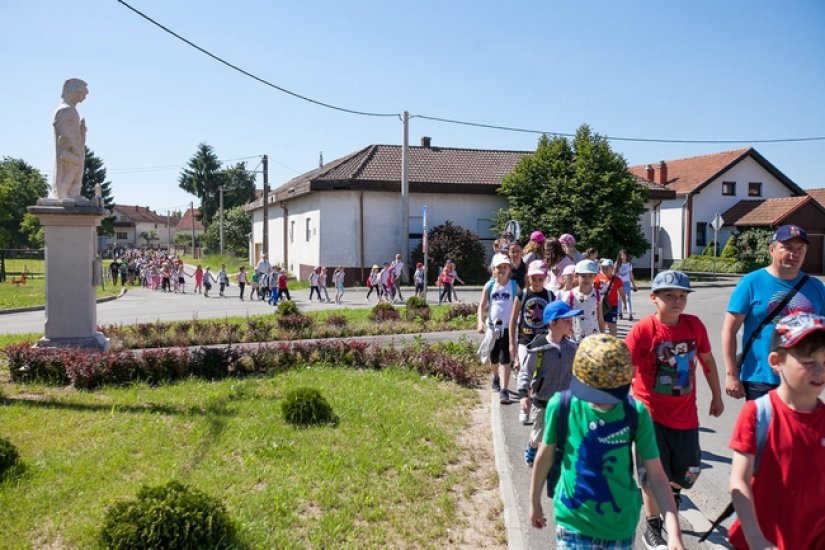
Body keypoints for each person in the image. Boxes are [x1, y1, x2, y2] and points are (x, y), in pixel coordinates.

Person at [529, 334, 684, 550]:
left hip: (621, 526)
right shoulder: (561, 406)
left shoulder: (636, 413)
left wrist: (674, 532)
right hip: (573, 520)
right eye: (594, 394)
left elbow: (657, 475)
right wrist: (534, 501)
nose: (603, 403)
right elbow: (545, 456)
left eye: (611, 395)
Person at [625, 270, 724, 549]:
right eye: (670, 295)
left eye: (682, 296)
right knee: (651, 473)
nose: (677, 301)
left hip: (685, 414)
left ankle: (673, 495)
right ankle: (653, 525)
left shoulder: (694, 325)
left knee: (688, 470)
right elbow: (626, 373)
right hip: (650, 414)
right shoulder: (643, 330)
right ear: (654, 297)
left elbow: (707, 360)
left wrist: (717, 396)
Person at [727, 312, 825, 550]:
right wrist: (756, 539)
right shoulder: (759, 414)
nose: (820, 371)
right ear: (776, 362)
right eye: (808, 362)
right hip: (762, 542)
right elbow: (739, 481)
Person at [722, 225, 825, 401]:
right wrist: (731, 375)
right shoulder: (751, 282)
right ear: (772, 249)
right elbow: (729, 330)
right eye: (788, 248)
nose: (795, 254)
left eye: (801, 249)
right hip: (760, 378)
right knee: (763, 428)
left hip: (803, 378)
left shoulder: (815, 286)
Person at [518, 300, 579, 464]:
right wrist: (524, 394)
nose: (570, 324)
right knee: (539, 435)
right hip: (542, 401)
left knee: (564, 434)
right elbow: (526, 372)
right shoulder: (538, 349)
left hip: (565, 401)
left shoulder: (571, 347)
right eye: (566, 321)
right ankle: (532, 447)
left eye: (571, 320)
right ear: (553, 323)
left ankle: (557, 460)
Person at [477, 253, 519, 404]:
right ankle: (495, 377)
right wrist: (480, 321)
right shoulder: (489, 286)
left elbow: (518, 307)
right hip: (492, 328)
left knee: (505, 358)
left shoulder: (514, 286)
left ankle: (504, 389)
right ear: (493, 269)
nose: (501, 270)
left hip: (508, 328)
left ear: (509, 269)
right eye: (498, 267)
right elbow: (482, 306)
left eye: (505, 267)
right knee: (494, 357)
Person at [508, 260, 554, 374]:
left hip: (544, 340)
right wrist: (512, 343)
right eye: (533, 278)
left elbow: (555, 320)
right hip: (525, 340)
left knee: (541, 375)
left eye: (540, 279)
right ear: (528, 278)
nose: (537, 282)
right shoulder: (522, 295)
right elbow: (513, 320)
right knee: (525, 372)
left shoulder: (550, 295)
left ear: (545, 277)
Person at [52, 78, 88, 200]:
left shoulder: (70, 109)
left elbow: (71, 131)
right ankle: (64, 194)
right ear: (73, 92)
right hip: (68, 151)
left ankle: (72, 193)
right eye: (82, 93)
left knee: (75, 169)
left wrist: (82, 132)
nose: (84, 97)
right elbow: (65, 133)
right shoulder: (65, 109)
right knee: (71, 170)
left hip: (73, 148)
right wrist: (75, 147)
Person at [557, 259, 604, 342]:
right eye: (584, 276)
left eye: (590, 276)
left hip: (594, 339)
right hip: (575, 339)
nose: (587, 279)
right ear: (576, 276)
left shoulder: (597, 294)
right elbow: (563, 318)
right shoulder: (569, 295)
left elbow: (600, 318)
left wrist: (603, 337)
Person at [594, 258, 626, 337]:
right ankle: (602, 342)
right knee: (601, 324)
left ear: (612, 268)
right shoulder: (598, 278)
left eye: (607, 268)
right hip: (601, 305)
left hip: (613, 306)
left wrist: (625, 303)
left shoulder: (617, 280)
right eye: (603, 268)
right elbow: (593, 290)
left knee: (612, 324)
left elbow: (622, 292)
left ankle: (613, 342)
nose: (604, 270)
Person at [616, 250, 638, 320]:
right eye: (621, 255)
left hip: (626, 283)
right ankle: (620, 313)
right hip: (619, 283)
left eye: (624, 255)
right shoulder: (617, 264)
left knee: (628, 298)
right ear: (619, 256)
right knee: (619, 298)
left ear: (626, 256)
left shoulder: (629, 264)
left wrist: (634, 284)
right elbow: (615, 274)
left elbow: (630, 274)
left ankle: (630, 314)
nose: (622, 256)